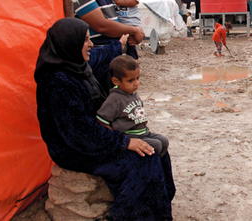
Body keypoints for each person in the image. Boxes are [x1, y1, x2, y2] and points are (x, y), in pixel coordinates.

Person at [34, 18, 175, 220]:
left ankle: (159, 208)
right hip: (74, 149)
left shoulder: (75, 65)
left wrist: (119, 45)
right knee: (144, 156)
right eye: (85, 40)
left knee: (158, 147)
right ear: (70, 43)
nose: (91, 44)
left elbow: (99, 57)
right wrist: (125, 141)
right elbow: (80, 134)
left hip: (96, 136)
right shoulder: (58, 82)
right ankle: (129, 215)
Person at [97, 55, 169, 157]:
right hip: (131, 136)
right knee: (156, 145)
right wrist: (116, 139)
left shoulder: (133, 93)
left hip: (144, 133)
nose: (136, 84)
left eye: (137, 78)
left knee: (164, 141)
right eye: (130, 81)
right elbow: (102, 120)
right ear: (116, 81)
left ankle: (156, 163)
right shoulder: (115, 98)